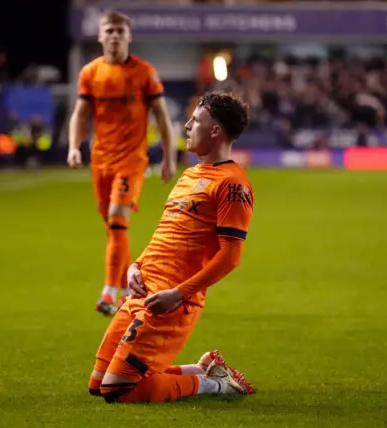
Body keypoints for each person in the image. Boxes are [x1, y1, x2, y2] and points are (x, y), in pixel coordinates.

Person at [88, 90, 255, 403]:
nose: (188, 125)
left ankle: (214, 385)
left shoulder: (233, 183)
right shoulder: (190, 175)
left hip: (170, 303)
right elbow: (166, 234)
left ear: (216, 131)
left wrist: (179, 294)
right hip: (141, 291)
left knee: (117, 390)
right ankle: (203, 369)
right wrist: (135, 266)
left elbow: (231, 256)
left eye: (196, 120)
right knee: (97, 384)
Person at [67, 11, 176, 316]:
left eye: (119, 31)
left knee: (117, 219)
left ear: (128, 36)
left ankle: (109, 291)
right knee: (114, 228)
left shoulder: (145, 73)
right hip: (100, 160)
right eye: (109, 31)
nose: (114, 36)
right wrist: (74, 147)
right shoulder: (90, 73)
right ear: (100, 36)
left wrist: (169, 158)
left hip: (131, 159)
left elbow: (163, 118)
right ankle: (131, 287)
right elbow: (80, 114)